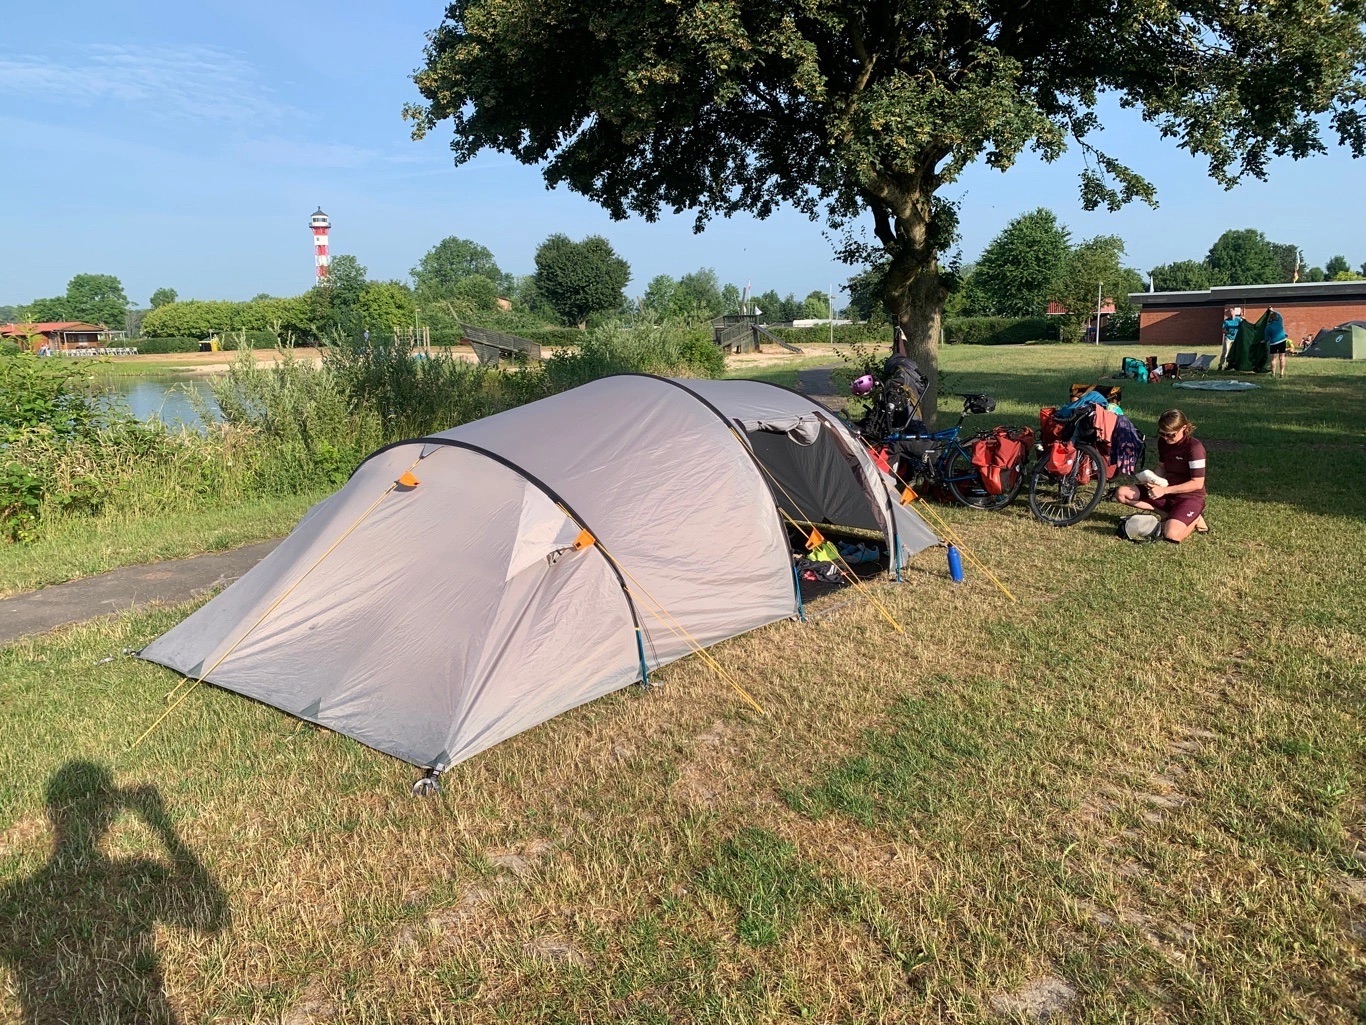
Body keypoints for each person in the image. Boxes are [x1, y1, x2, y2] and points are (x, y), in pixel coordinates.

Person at [1114, 408, 1208, 542]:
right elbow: (1162, 466)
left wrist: (1164, 490)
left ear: (1184, 428)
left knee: (1171, 535)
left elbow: (1197, 483)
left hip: (1190, 497)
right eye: (1162, 433)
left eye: (1170, 435)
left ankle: (1196, 517)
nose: (1165, 438)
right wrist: (1153, 480)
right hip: (1166, 492)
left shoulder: (1194, 448)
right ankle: (1167, 514)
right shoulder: (1163, 442)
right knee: (1121, 493)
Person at [1264, 308, 1289, 377]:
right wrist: (1273, 310)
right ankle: (1281, 373)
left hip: (1273, 343)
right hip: (1282, 340)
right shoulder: (1279, 321)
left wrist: (1263, 341)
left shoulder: (1268, 327)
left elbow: (1266, 338)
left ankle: (1273, 373)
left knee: (1273, 359)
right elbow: (1280, 314)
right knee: (1282, 357)